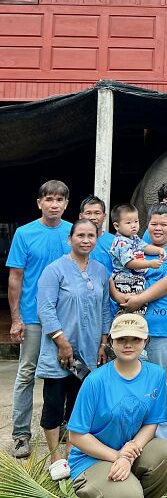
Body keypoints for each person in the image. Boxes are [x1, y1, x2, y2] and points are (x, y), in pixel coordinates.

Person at [67, 314, 167, 498]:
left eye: (135, 339)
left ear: (146, 340)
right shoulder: (95, 381)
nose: (128, 345)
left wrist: (129, 454)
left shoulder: (156, 375)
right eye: (122, 339)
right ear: (111, 341)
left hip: (129, 454)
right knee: (130, 493)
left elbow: (151, 423)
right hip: (92, 459)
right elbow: (77, 435)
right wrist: (119, 456)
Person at [36, 219, 113, 480]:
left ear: (97, 238)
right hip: (59, 351)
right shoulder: (54, 270)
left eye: (91, 235)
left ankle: (70, 453)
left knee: (79, 405)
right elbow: (45, 308)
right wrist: (62, 341)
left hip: (90, 348)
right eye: (80, 235)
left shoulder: (101, 270)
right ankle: (55, 456)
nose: (85, 240)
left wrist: (104, 343)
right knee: (54, 403)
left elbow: (105, 308)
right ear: (70, 239)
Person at [7, 179, 72, 458]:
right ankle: (21, 434)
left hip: (66, 316)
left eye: (59, 200)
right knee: (27, 372)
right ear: (39, 203)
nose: (54, 205)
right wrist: (16, 318)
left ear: (66, 204)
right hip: (33, 317)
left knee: (68, 373)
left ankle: (68, 428)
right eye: (49, 199)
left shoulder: (74, 232)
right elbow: (16, 278)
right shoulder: (24, 233)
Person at [118, 203, 167, 439]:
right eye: (153, 224)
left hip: (161, 328)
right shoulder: (134, 252)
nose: (157, 229)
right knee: (129, 382)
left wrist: (138, 299)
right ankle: (131, 438)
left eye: (163, 224)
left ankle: (161, 441)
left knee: (158, 384)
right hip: (130, 328)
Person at [109, 203, 166, 315]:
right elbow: (129, 263)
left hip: (136, 278)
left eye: (136, 221)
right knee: (128, 306)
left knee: (139, 307)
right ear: (116, 226)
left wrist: (158, 250)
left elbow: (145, 247)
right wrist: (149, 264)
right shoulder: (121, 242)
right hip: (124, 279)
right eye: (128, 223)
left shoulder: (134, 238)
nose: (133, 225)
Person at [79, 195, 114, 273]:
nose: (93, 217)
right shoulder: (74, 241)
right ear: (81, 217)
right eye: (88, 213)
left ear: (104, 217)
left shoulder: (115, 242)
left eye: (97, 213)